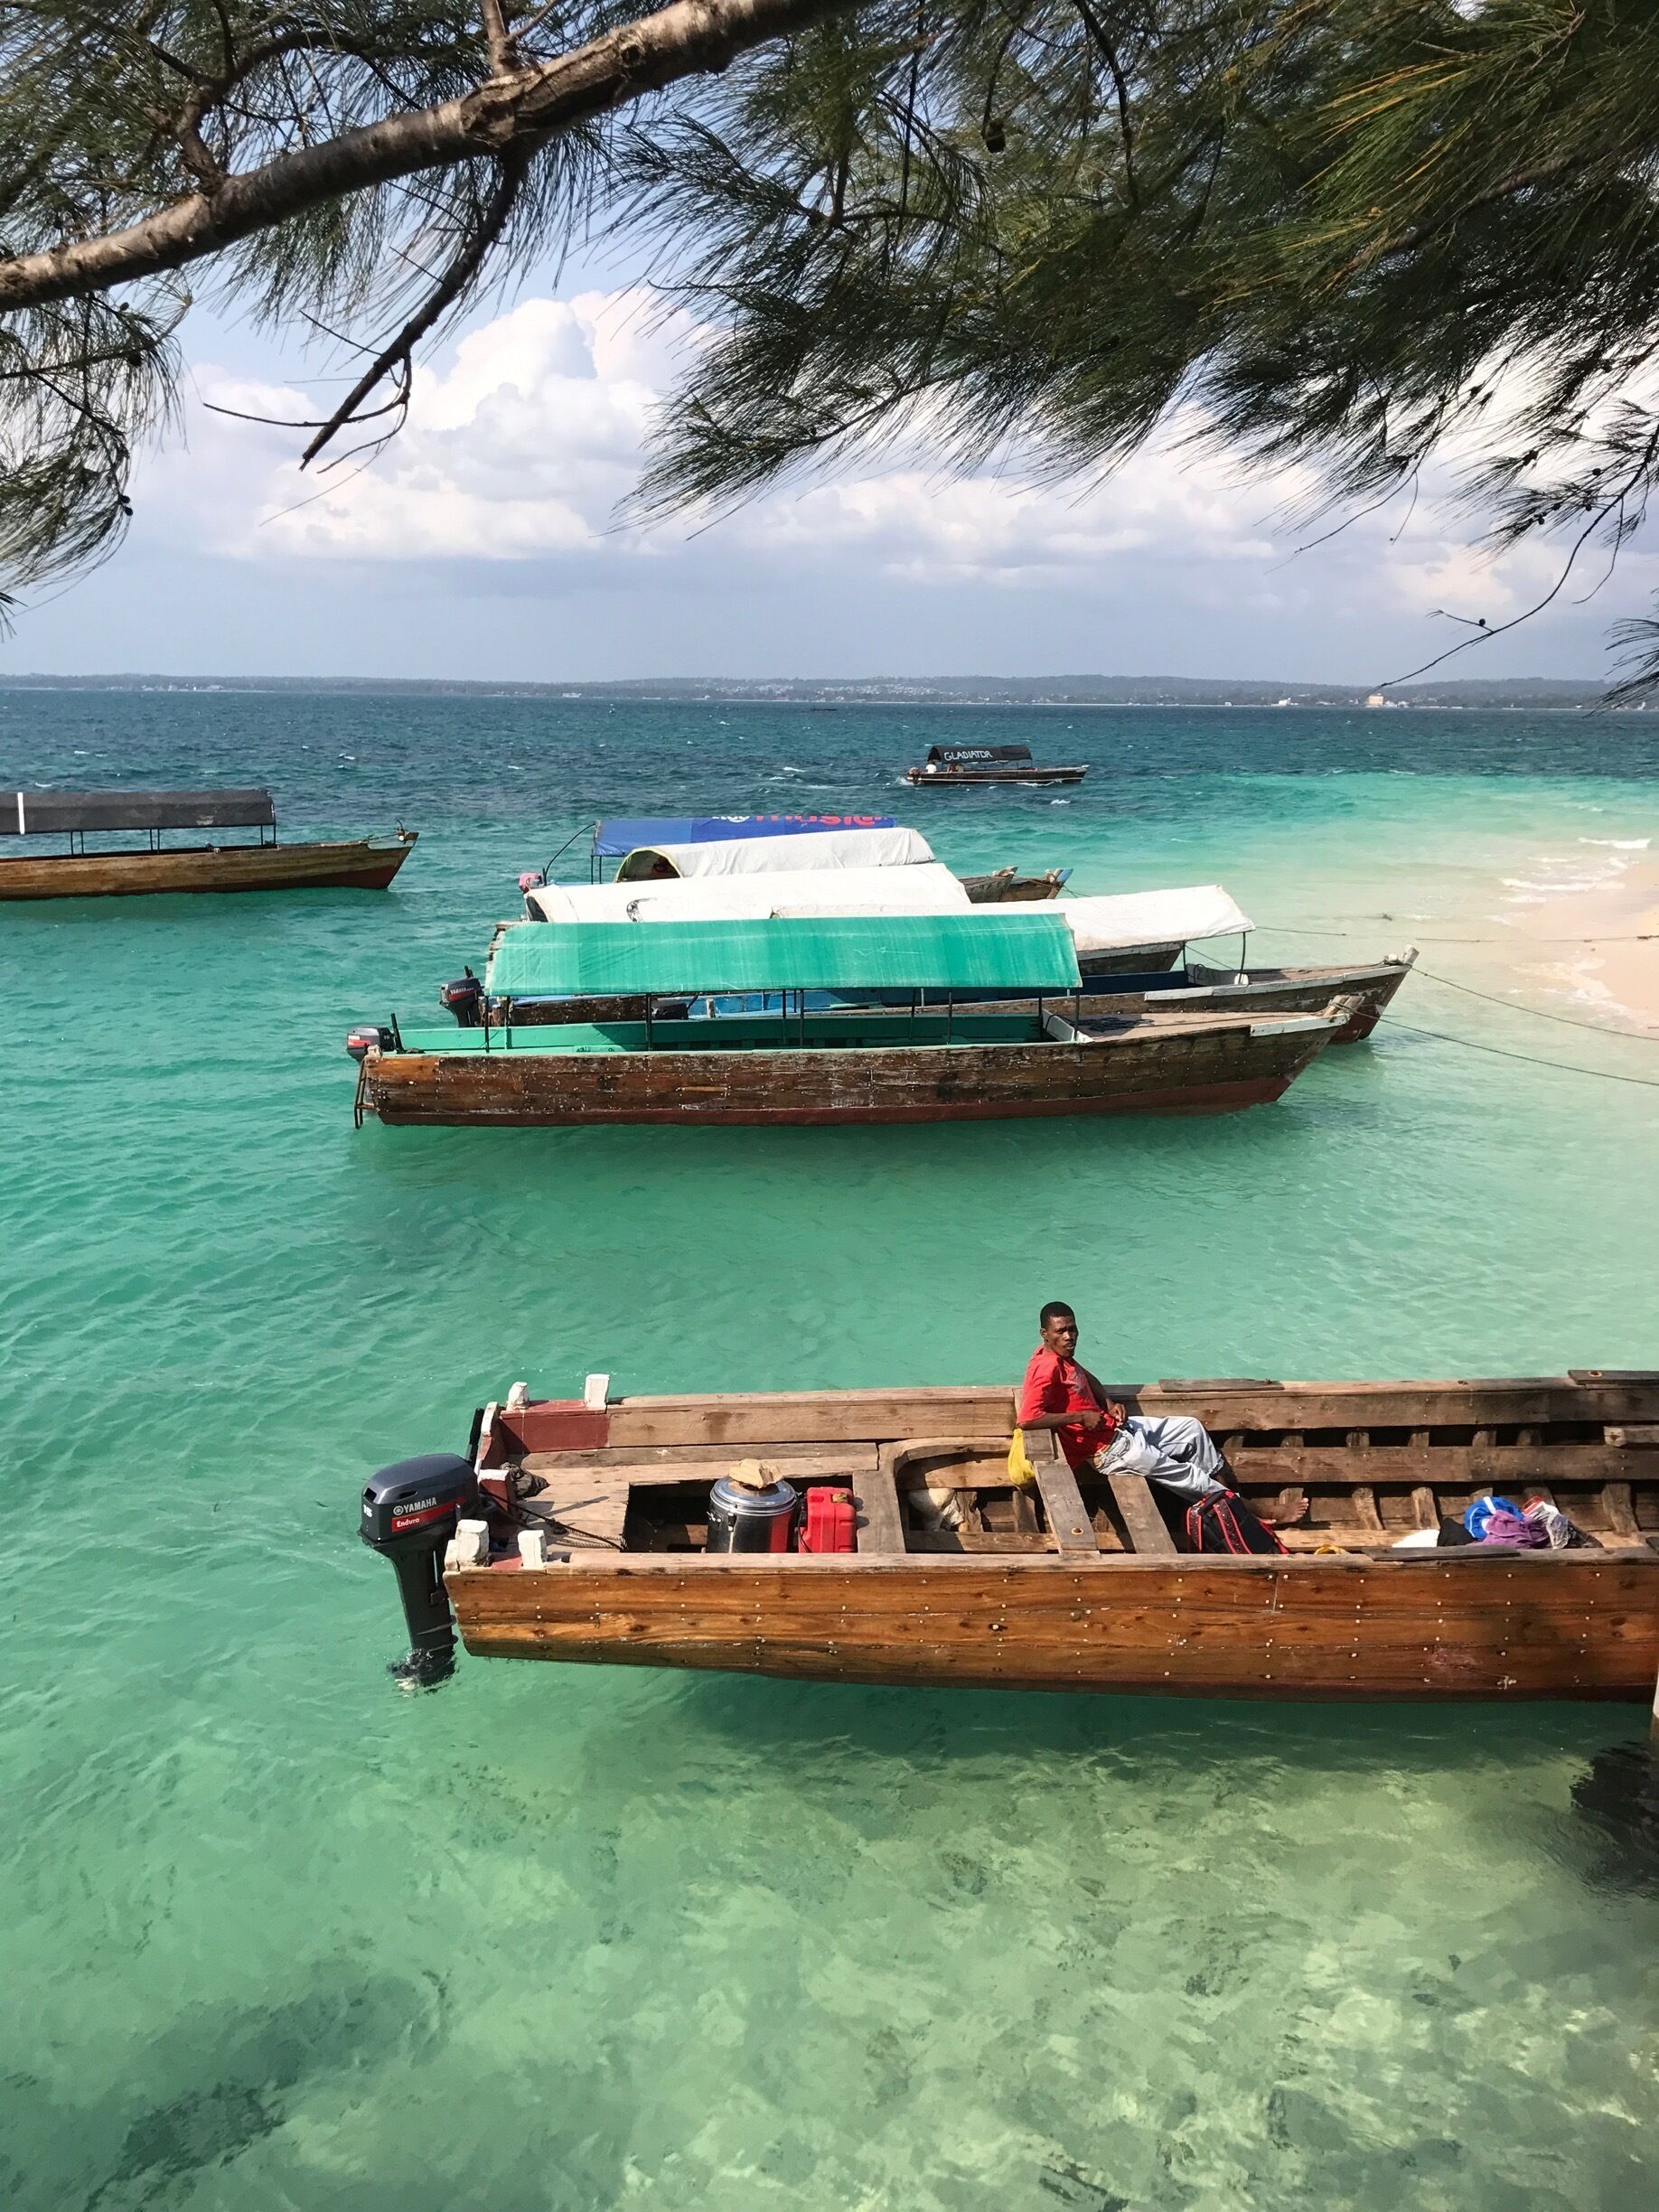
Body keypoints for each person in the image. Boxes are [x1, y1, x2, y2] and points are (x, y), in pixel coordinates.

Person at [1018, 1301, 1308, 1549]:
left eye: (1073, 1329)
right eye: (1061, 1331)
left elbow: (1087, 1378)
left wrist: (1108, 1403)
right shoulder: (1046, 1368)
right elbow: (1028, 1419)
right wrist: (1079, 1417)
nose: (1069, 1336)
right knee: (1189, 1476)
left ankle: (1229, 1503)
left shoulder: (1061, 1355)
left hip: (1118, 1430)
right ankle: (1256, 1510)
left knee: (1191, 1430)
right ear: (1045, 1334)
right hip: (1108, 1452)